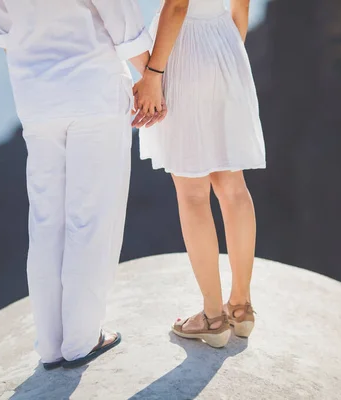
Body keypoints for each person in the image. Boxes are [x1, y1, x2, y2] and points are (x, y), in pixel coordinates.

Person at [0, 0, 159, 369]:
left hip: (36, 100)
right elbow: (124, 25)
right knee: (91, 218)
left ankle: (49, 345)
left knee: (47, 222)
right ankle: (81, 340)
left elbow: (3, 34)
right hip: (93, 92)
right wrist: (154, 80)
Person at [133, 0, 265, 347]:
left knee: (193, 193)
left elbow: (177, 5)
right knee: (233, 187)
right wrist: (224, 51)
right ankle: (240, 307)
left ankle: (212, 317)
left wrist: (153, 74)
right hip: (225, 41)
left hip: (184, 47)